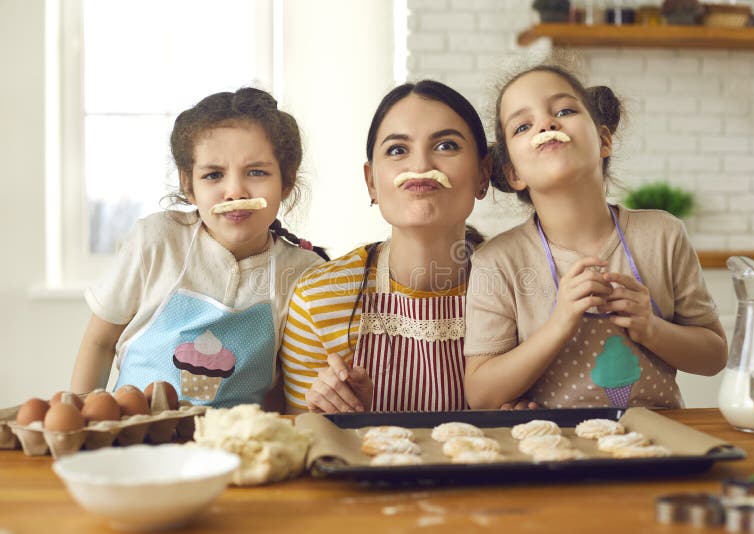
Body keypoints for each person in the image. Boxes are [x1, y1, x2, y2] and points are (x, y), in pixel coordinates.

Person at [464, 64, 727, 410]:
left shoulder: (664, 235)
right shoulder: (497, 261)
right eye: (523, 126)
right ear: (514, 173)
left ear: (603, 141)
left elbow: (714, 357)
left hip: (658, 443)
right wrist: (559, 324)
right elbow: (481, 394)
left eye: (564, 110)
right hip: (553, 448)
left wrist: (650, 327)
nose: (547, 124)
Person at [70, 88, 328, 408]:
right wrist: (81, 418)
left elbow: (291, 389)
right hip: (138, 442)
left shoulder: (304, 273)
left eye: (257, 172)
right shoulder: (157, 241)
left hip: (235, 448)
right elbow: (100, 341)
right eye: (213, 175)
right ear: (188, 185)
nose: (234, 190)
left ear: (286, 182)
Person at [279, 80, 512, 414]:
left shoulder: (518, 287)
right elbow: (308, 449)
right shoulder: (319, 299)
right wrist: (330, 418)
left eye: (446, 146)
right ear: (371, 182)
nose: (421, 166)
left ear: (483, 174)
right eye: (397, 150)